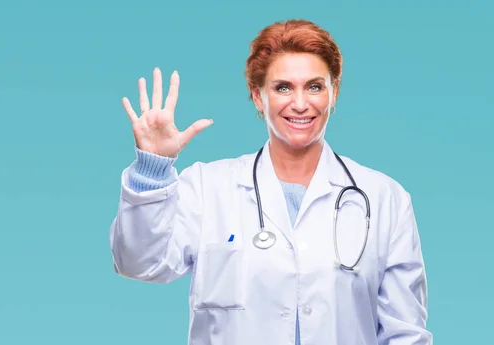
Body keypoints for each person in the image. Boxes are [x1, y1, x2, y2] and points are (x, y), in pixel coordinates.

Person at [109, 18, 432, 345]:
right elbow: (138, 263)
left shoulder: (384, 198)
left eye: (315, 86)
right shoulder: (209, 188)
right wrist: (153, 165)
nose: (301, 103)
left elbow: (406, 334)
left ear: (334, 92)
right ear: (258, 97)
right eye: (283, 87)